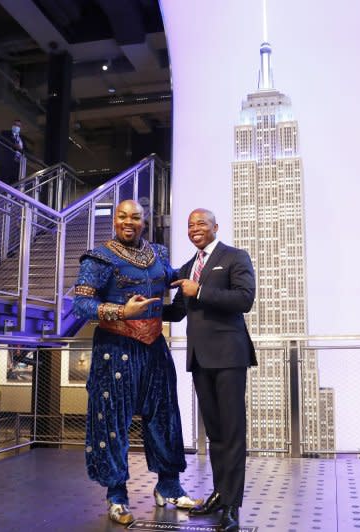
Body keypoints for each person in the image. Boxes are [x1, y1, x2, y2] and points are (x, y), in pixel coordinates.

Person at [72, 199, 200, 525]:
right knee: (113, 423)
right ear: (115, 220)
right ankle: (117, 497)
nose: (128, 222)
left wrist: (196, 281)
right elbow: (81, 304)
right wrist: (119, 311)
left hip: (155, 347)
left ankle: (169, 488)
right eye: (122, 216)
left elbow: (174, 279)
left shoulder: (158, 254)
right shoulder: (98, 258)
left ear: (144, 221)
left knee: (165, 417)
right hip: (114, 349)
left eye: (135, 217)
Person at [163, 208, 256, 532]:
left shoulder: (234, 257)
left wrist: (200, 291)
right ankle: (219, 493)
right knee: (215, 434)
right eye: (190, 225)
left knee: (231, 433)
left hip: (230, 357)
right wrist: (140, 310)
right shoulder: (189, 266)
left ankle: (231, 505)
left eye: (201, 223)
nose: (195, 228)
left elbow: (245, 299)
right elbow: (176, 312)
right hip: (201, 360)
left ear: (216, 227)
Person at [0, 119, 25, 184]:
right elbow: (4, 142)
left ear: (21, 127)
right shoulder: (5, 134)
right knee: (3, 183)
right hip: (6, 164)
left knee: (14, 184)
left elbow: (26, 151)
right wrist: (14, 146)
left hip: (17, 165)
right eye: (15, 125)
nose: (17, 127)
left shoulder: (22, 139)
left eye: (18, 125)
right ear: (12, 126)